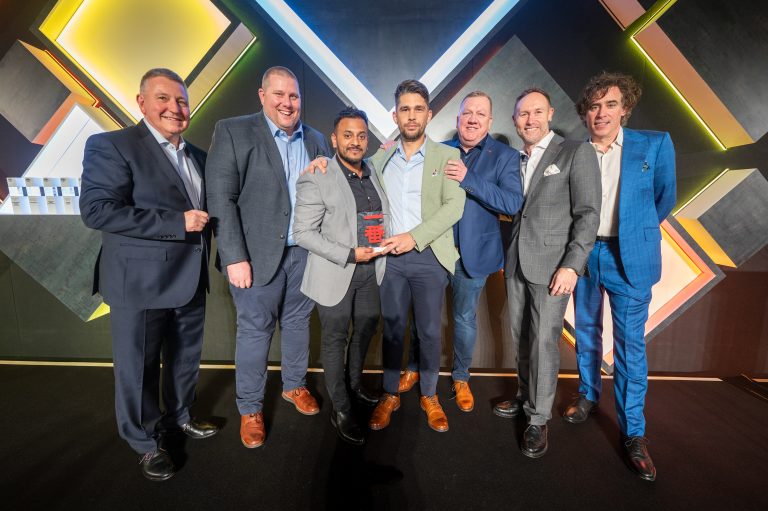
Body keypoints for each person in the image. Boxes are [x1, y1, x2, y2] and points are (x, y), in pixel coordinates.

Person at [80, 68, 217, 481]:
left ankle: (180, 416)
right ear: (141, 103)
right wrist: (177, 222)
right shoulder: (112, 145)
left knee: (185, 358)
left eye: (181, 100)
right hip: (138, 284)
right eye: (163, 98)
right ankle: (144, 442)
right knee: (137, 368)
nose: (175, 108)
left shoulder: (199, 156)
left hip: (189, 278)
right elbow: (97, 211)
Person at [206, 66, 331, 449]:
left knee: (297, 322)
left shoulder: (316, 139)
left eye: (293, 96)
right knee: (255, 331)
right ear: (263, 96)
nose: (287, 103)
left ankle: (294, 385)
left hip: (304, 254)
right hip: (254, 257)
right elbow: (220, 198)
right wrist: (233, 257)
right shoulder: (233, 131)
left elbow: (329, 196)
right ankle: (250, 408)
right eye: (279, 94)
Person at [567, 72, 676, 481]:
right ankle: (588, 395)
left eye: (610, 104)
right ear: (585, 112)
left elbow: (664, 197)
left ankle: (633, 433)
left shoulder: (654, 144)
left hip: (628, 256)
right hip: (583, 253)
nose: (601, 113)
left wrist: (632, 234)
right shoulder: (573, 151)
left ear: (624, 109)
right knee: (586, 329)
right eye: (594, 106)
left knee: (630, 346)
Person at [493, 88, 600, 459]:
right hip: (516, 263)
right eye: (523, 114)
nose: (530, 119)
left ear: (550, 113)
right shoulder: (516, 159)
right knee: (521, 337)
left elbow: (588, 214)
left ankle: (538, 419)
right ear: (514, 121)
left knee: (543, 342)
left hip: (554, 267)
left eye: (537, 112)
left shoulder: (575, 152)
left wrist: (572, 265)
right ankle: (525, 396)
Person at [399, 91, 523, 412]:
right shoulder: (438, 151)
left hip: (474, 254)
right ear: (457, 119)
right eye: (467, 113)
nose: (472, 119)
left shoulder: (505, 156)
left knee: (464, 318)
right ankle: (413, 366)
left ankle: (461, 376)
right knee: (422, 315)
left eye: (480, 114)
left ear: (490, 121)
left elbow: (511, 203)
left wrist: (469, 179)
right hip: (434, 251)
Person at [367, 79, 466, 433]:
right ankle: (390, 394)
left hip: (429, 256)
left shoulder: (447, 156)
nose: (411, 116)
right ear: (395, 115)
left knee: (429, 332)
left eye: (418, 109)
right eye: (405, 109)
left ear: (429, 114)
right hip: (390, 259)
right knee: (393, 330)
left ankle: (429, 394)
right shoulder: (379, 158)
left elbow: (454, 207)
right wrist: (321, 162)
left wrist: (415, 237)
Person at [293, 106, 390, 445]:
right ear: (334, 139)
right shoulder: (317, 175)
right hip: (336, 271)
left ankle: (354, 385)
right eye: (347, 135)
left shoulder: (374, 171)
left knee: (365, 330)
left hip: (371, 271)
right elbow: (303, 233)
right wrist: (349, 254)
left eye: (361, 136)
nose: (355, 142)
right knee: (335, 339)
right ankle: (341, 408)